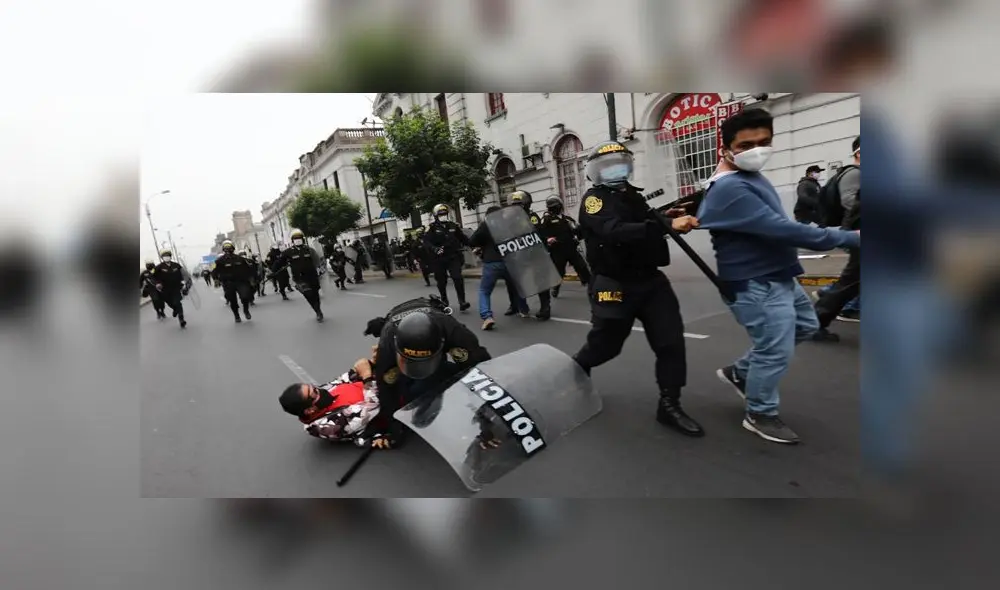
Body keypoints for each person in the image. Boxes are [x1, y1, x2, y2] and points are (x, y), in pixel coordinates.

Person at [695, 108, 860, 444]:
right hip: (755, 283)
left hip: (778, 274)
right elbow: (782, 230)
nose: (757, 150)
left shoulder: (747, 177)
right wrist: (852, 237)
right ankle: (760, 412)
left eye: (764, 142)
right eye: (746, 144)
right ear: (723, 148)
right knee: (775, 350)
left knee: (806, 326)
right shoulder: (730, 189)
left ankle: (740, 373)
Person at [571, 140, 704, 437]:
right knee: (607, 344)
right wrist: (664, 227)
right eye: (606, 165)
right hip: (615, 283)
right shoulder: (594, 200)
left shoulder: (633, 195)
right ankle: (575, 371)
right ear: (595, 171)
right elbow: (614, 231)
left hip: (651, 281)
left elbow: (645, 222)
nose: (615, 169)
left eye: (619, 162)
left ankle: (669, 403)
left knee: (670, 340)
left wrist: (668, 217)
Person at [365, 306, 491, 448]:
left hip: (437, 344)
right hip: (396, 329)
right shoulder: (388, 343)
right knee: (404, 393)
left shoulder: (454, 332)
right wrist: (390, 430)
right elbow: (386, 390)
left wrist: (485, 422)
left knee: (463, 372)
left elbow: (481, 373)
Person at [279, 347, 382, 447]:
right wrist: (367, 376)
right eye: (314, 392)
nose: (318, 389)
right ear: (310, 410)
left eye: (314, 387)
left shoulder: (320, 394)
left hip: (377, 384)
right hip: (385, 402)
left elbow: (343, 380)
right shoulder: (327, 425)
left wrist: (370, 364)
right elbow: (372, 407)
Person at [812, 136, 862, 336]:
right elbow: (850, 201)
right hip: (860, 233)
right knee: (852, 280)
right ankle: (815, 320)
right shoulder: (854, 174)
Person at [470, 205, 529, 330]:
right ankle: (523, 310)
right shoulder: (508, 225)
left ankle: (487, 317)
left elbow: (472, 241)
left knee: (484, 291)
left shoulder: (486, 225)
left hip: (492, 262)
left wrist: (482, 245)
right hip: (509, 260)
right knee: (518, 286)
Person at [508, 190, 552, 320]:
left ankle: (545, 308)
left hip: (535, 253)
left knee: (541, 281)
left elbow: (537, 234)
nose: (517, 207)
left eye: (520, 204)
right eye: (515, 204)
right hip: (519, 254)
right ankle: (518, 306)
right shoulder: (511, 219)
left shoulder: (531, 216)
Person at [422, 203, 472, 311]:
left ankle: (462, 301)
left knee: (457, 277)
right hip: (439, 258)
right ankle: (444, 300)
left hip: (453, 256)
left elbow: (463, 239)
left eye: (445, 214)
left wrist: (475, 244)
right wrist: (434, 249)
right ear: (436, 216)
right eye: (441, 214)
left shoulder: (453, 226)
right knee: (441, 280)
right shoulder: (431, 228)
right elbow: (426, 242)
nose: (443, 215)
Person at [540, 195, 592, 297]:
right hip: (557, 250)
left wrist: (578, 234)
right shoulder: (547, 220)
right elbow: (541, 234)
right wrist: (548, 239)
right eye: (552, 206)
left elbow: (578, 232)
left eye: (556, 206)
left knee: (581, 266)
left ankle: (590, 287)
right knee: (559, 272)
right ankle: (556, 288)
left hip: (571, 248)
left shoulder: (567, 219)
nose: (555, 208)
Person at [276, 229, 326, 322]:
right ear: (292, 241)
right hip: (300, 278)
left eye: (299, 238)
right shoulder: (288, 252)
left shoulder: (309, 249)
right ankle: (317, 311)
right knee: (308, 294)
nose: (298, 240)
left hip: (312, 276)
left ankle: (318, 310)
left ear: (302, 239)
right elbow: (279, 262)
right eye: (295, 239)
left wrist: (320, 269)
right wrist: (273, 271)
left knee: (315, 294)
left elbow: (317, 261)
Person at [212, 240, 255, 323]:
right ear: (223, 249)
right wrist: (216, 280)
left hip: (241, 282)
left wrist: (251, 279)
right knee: (232, 301)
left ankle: (246, 310)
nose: (228, 250)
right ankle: (236, 315)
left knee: (245, 297)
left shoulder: (240, 259)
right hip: (228, 283)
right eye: (226, 248)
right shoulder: (219, 261)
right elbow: (214, 271)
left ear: (233, 248)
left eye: (229, 248)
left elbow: (248, 269)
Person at [153, 249, 192, 328]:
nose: (166, 257)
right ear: (162, 258)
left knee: (177, 302)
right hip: (165, 290)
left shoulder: (177, 265)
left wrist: (185, 282)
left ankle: (181, 319)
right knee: (171, 303)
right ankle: (175, 309)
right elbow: (154, 278)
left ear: (170, 256)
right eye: (164, 256)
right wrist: (157, 284)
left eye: (168, 256)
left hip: (176, 288)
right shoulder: (158, 268)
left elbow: (184, 274)